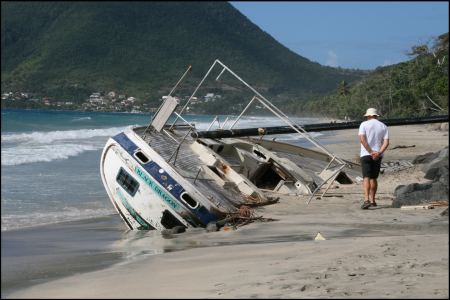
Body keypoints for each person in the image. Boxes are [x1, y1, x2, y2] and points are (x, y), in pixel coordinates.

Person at [358, 108, 389, 209]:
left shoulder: (364, 124)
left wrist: (370, 152)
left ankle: (366, 200)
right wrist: (378, 153)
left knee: (366, 177)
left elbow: (362, 139)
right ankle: (373, 200)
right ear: (376, 116)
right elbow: (386, 142)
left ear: (368, 116)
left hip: (366, 154)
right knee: (374, 178)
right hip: (378, 155)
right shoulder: (383, 126)